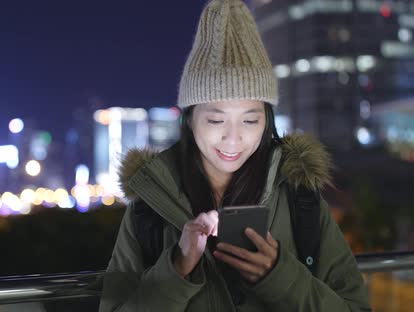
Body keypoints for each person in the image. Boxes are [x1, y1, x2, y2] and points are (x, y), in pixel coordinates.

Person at [99, 0, 371, 311]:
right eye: (216, 120)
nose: (233, 138)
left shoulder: (300, 198)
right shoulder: (149, 206)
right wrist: (176, 268)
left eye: (250, 120)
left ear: (267, 120)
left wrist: (282, 277)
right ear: (188, 120)